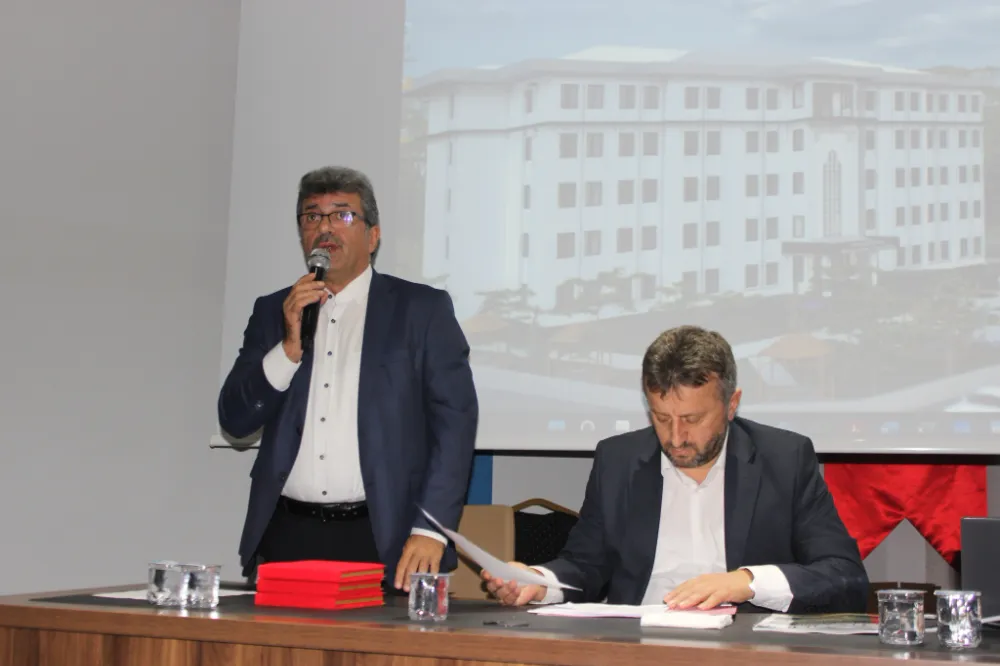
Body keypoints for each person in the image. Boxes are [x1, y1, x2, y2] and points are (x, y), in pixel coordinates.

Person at [482, 325, 868, 613]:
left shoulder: (784, 459)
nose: (676, 437)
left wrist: (747, 581)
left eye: (693, 419)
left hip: (742, 650)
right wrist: (538, 582)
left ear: (732, 405)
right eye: (662, 418)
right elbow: (586, 567)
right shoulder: (618, 460)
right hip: (640, 647)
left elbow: (844, 576)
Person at [218, 166, 478, 593]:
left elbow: (455, 426)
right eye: (312, 216)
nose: (324, 228)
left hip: (385, 537)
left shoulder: (421, 310)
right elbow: (235, 418)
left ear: (373, 236)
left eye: (342, 215)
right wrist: (287, 348)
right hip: (286, 534)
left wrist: (431, 528)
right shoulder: (274, 311)